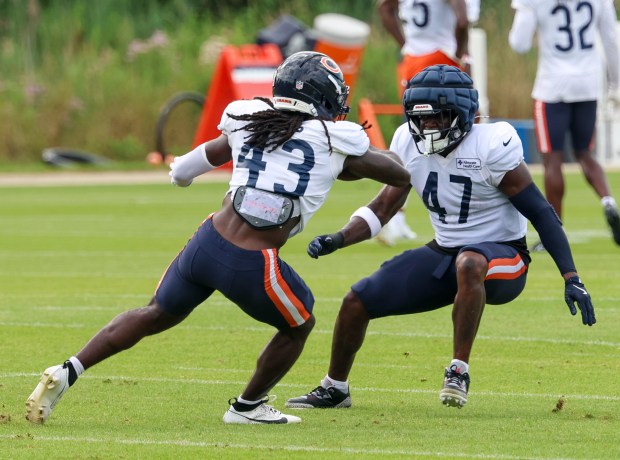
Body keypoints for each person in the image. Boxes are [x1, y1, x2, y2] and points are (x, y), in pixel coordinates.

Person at [24, 51, 410, 426]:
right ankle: (247, 406)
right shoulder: (333, 140)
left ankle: (67, 369)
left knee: (154, 313)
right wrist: (348, 158)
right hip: (253, 261)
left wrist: (184, 175)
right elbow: (398, 174)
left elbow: (184, 169)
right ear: (323, 98)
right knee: (299, 324)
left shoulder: (250, 120)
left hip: (206, 243)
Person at [285, 65, 596, 411]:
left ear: (462, 115)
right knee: (357, 300)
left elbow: (541, 212)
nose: (428, 126)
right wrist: (340, 238)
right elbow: (385, 206)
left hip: (505, 258)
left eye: (438, 118)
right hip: (444, 253)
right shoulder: (406, 140)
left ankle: (458, 371)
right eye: (423, 119)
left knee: (470, 261)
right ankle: (335, 388)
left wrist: (571, 277)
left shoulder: (491, 144)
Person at [509, 0, 620, 251]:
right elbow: (610, 39)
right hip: (588, 84)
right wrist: (616, 83)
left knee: (553, 160)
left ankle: (554, 231)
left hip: (553, 85)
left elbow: (519, 43)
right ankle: (608, 201)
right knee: (585, 154)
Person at [376, 0, 473, 246]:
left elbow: (384, 8)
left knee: (411, 138)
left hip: (412, 62)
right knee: (464, 133)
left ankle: (395, 216)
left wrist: (406, 44)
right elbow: (462, 21)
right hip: (442, 60)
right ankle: (469, 210)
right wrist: (461, 54)